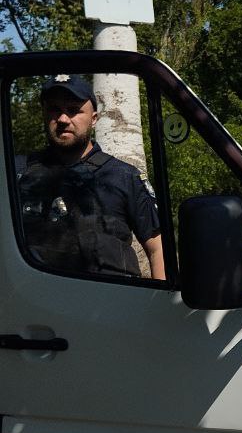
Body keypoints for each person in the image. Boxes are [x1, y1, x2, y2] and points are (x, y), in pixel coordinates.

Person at [16, 74, 165, 280]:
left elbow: (158, 250)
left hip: (109, 305)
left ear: (94, 119)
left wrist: (156, 307)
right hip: (34, 304)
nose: (62, 119)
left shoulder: (124, 176)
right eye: (55, 109)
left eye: (73, 110)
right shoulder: (17, 172)